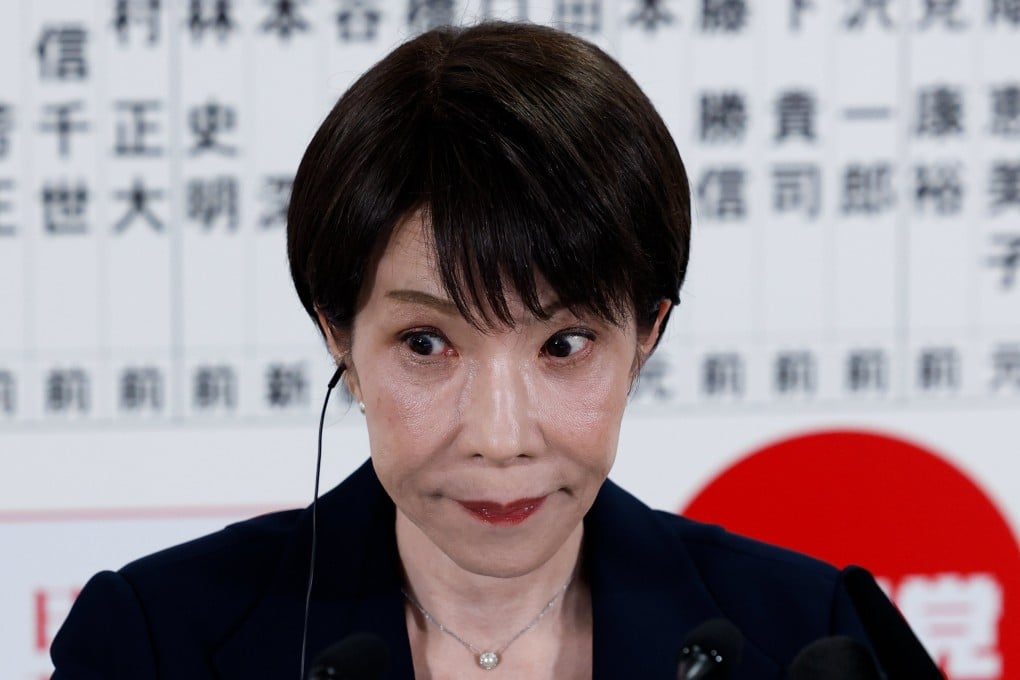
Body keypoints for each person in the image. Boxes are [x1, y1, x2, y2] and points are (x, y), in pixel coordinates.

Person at [51, 21, 927, 680]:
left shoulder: (807, 637)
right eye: (427, 342)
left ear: (648, 334)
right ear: (338, 335)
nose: (500, 436)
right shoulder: (159, 641)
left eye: (565, 343)